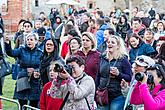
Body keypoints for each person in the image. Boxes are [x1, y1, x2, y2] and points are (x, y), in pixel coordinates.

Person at [4, 33, 43, 109]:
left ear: (36, 41)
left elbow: (43, 66)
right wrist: (7, 43)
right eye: (27, 40)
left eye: (31, 40)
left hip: (34, 81)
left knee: (34, 104)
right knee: (22, 103)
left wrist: (36, 70)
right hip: (23, 79)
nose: (29, 41)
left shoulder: (40, 53)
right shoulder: (21, 50)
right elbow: (11, 53)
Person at [96, 35, 132, 110]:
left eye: (113, 42)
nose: (109, 44)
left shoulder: (123, 59)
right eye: (108, 42)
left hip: (117, 95)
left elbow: (129, 77)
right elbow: (98, 75)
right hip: (102, 94)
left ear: (118, 46)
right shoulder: (103, 58)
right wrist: (96, 89)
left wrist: (119, 74)